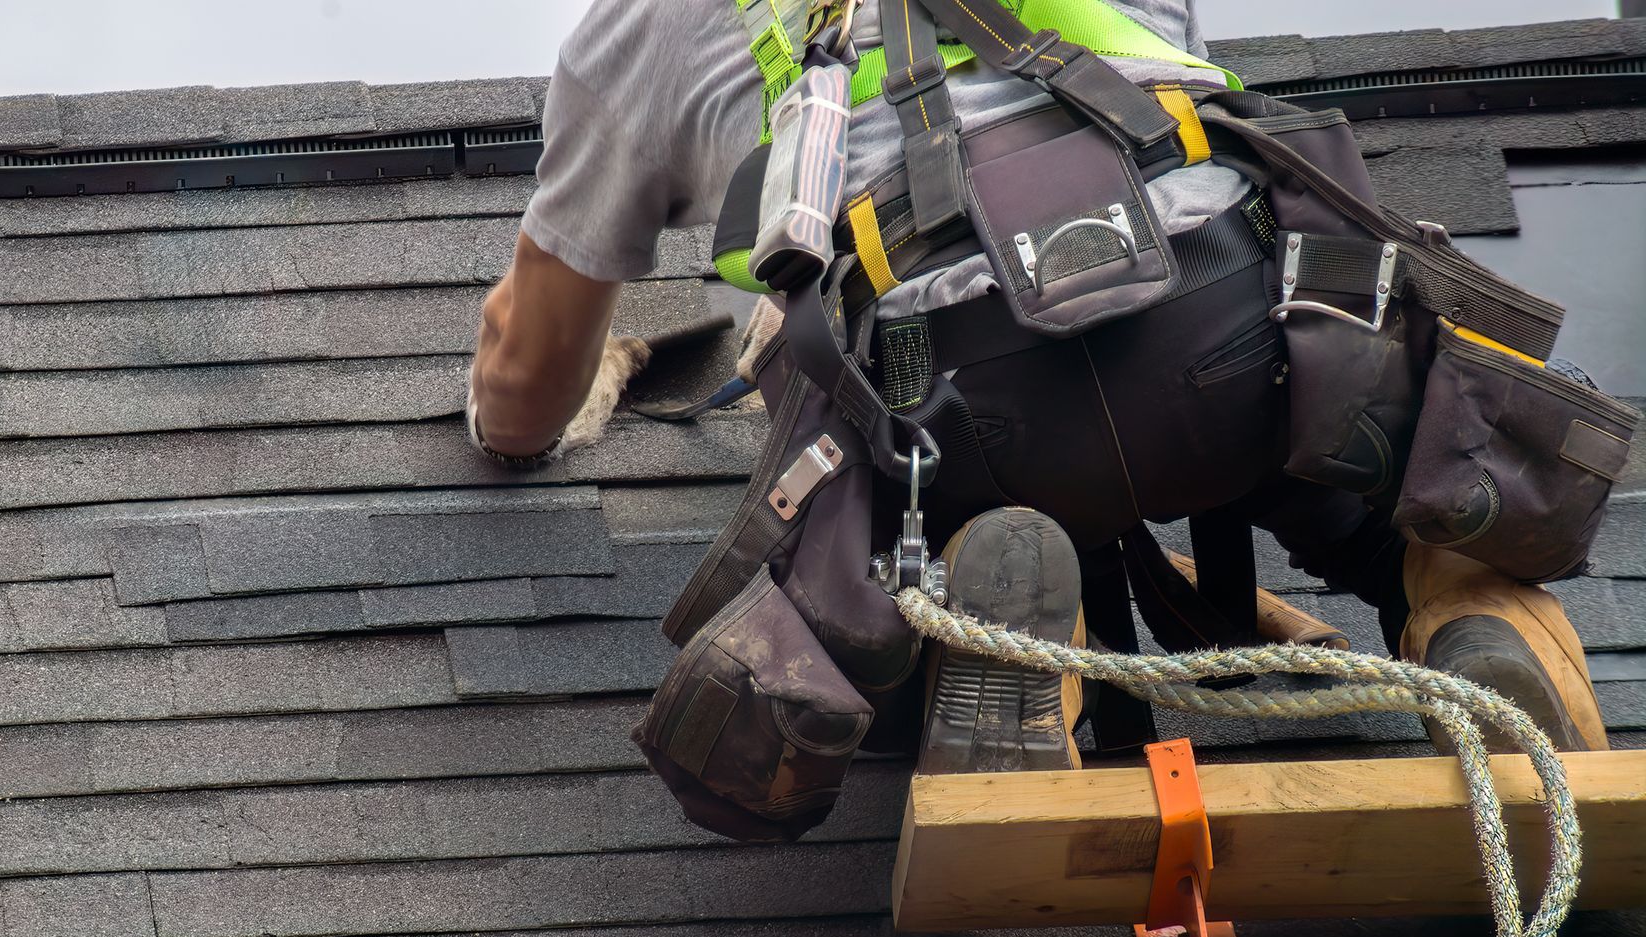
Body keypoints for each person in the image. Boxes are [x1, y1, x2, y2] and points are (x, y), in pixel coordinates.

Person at [467, 0, 1608, 817]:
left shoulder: (644, 27)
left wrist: (505, 378)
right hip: (1235, 322)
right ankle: (1469, 608)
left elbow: (526, 397)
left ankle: (1013, 625)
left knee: (902, 442)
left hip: (966, 398)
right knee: (1312, 448)